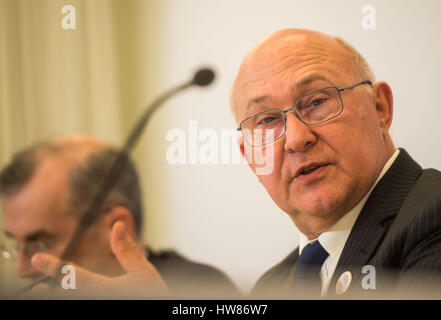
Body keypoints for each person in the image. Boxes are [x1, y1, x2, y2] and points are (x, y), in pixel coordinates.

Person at [232, 28, 441, 298]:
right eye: (267, 120)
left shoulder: (432, 219)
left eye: (317, 101)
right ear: (251, 159)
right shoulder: (270, 287)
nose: (296, 139)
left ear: (381, 108)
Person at [0, 134, 238, 298]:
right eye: (13, 243)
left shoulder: (202, 289)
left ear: (116, 227)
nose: (21, 270)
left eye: (41, 244)